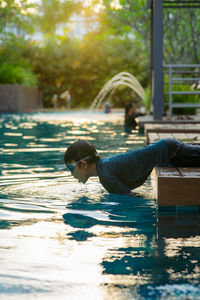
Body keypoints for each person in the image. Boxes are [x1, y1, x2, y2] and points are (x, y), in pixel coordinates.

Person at [64, 139, 200, 195]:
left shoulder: (106, 178)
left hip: (170, 153)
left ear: (83, 164)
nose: (71, 174)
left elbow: (131, 197)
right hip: (167, 149)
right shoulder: (105, 167)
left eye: (71, 168)